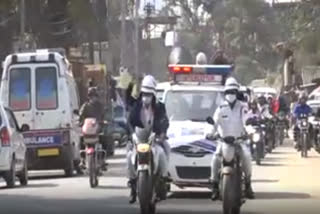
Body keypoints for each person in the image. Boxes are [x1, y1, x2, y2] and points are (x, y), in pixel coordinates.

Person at [126, 75, 170, 204]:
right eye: (144, 93)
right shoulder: (136, 106)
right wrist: (132, 134)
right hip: (138, 139)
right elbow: (130, 121)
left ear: (154, 94)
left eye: (149, 94)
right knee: (129, 156)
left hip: (154, 139)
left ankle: (163, 180)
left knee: (165, 150)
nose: (146, 97)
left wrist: (161, 133)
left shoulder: (159, 107)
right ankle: (133, 186)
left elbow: (164, 121)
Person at [210, 77, 254, 201]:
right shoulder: (220, 108)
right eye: (228, 92)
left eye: (233, 92)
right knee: (215, 158)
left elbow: (247, 121)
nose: (231, 94)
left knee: (246, 156)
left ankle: (248, 184)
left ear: (237, 93)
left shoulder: (242, 107)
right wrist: (209, 133)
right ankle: (214, 185)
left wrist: (249, 131)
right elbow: (213, 124)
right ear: (225, 93)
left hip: (239, 141)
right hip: (224, 141)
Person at [79, 87, 105, 171]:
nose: (93, 98)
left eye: (94, 96)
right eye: (91, 96)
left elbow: (103, 114)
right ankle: (82, 160)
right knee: (81, 140)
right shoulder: (85, 106)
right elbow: (80, 115)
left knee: (103, 139)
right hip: (88, 129)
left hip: (97, 129)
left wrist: (102, 121)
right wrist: (80, 121)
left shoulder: (100, 106)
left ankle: (102, 160)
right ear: (89, 97)